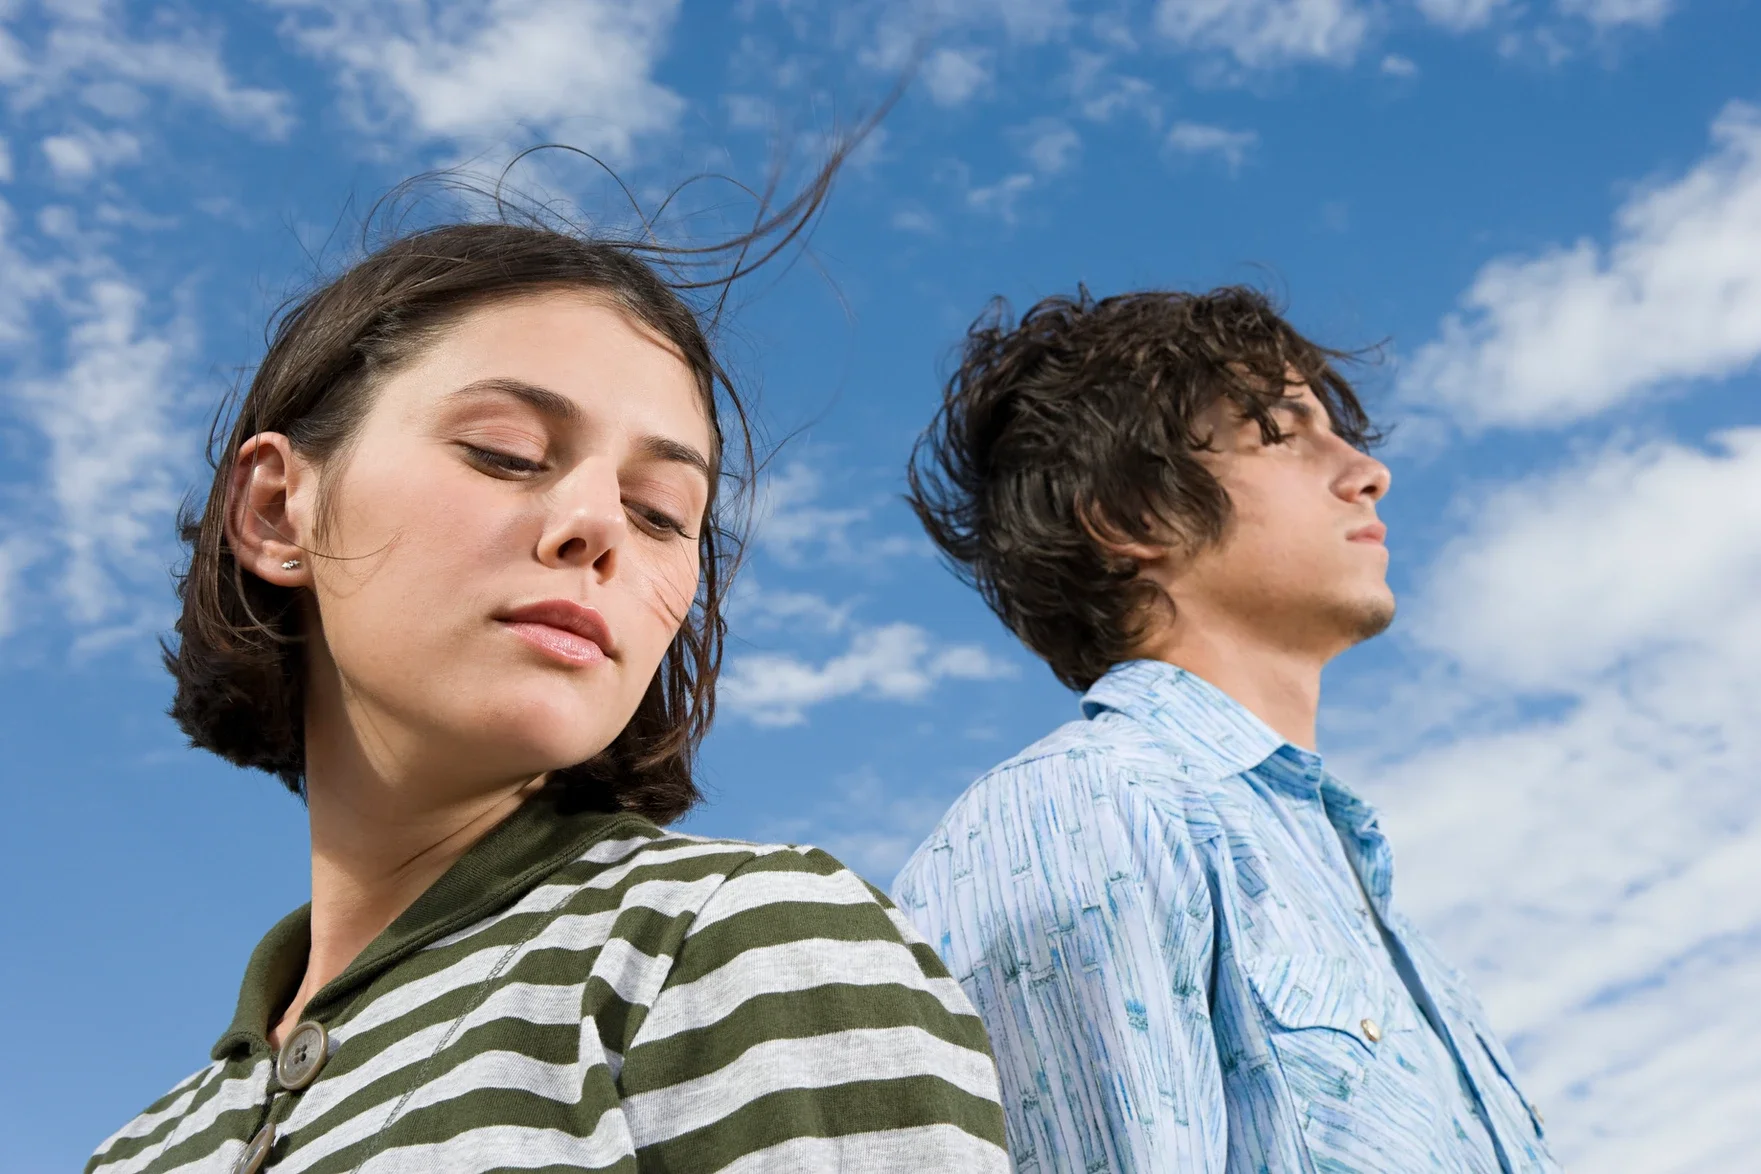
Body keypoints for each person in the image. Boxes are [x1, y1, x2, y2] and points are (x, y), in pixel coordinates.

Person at [87, 209, 1009, 1173]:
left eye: (660, 513)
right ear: (279, 510)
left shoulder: (741, 940)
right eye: (507, 453)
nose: (598, 525)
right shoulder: (137, 1153)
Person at [891, 287, 1560, 1173]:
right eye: (1280, 433)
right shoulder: (1088, 807)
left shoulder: (1343, 868)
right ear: (1130, 517)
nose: (1366, 470)